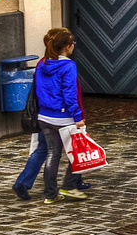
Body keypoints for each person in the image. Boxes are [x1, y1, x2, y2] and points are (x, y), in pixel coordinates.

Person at [14, 27, 88, 203]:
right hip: (64, 117)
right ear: (68, 47)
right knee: (76, 152)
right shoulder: (68, 65)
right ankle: (69, 186)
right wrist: (78, 116)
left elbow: (39, 91)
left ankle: (51, 193)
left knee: (51, 154)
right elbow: (70, 94)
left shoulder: (42, 63)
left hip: (45, 116)